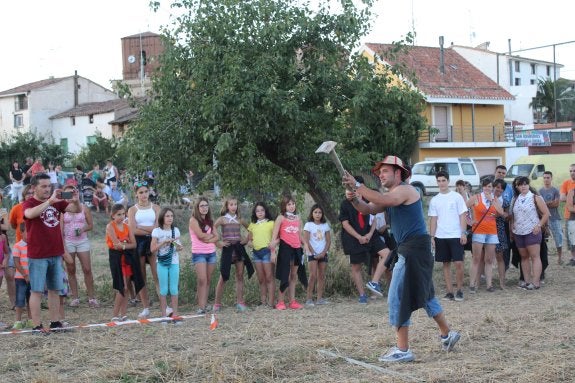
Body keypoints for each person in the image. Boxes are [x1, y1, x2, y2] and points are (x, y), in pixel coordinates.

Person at [342, 155, 460, 363]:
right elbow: (369, 208)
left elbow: (386, 200)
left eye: (385, 171)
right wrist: (353, 198)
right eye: (379, 172)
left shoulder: (405, 190)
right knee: (426, 295)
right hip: (415, 249)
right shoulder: (391, 194)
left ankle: (403, 349)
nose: (380, 175)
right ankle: (447, 334)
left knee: (397, 297)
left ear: (399, 173)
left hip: (412, 250)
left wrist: (358, 185)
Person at [23, 173, 79, 333]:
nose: (48, 189)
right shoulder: (29, 203)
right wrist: (49, 202)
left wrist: (76, 200)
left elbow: (75, 209)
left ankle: (55, 323)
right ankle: (36, 326)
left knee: (55, 290)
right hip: (38, 255)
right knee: (37, 291)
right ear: (34, 188)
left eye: (49, 186)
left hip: (56, 253)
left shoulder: (57, 202)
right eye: (44, 186)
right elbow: (29, 214)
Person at [339, 180, 388, 303]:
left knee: (387, 254)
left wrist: (370, 234)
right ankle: (362, 295)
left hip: (370, 234)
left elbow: (374, 219)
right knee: (356, 266)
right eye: (353, 190)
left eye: (357, 189)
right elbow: (345, 224)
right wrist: (359, 237)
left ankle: (374, 282)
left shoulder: (367, 201)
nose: (356, 192)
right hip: (353, 238)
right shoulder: (345, 204)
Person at [428, 171, 468, 301]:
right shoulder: (434, 199)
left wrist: (463, 232)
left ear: (448, 181)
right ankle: (450, 292)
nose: (441, 183)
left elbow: (463, 215)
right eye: (439, 181)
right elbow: (433, 219)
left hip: (456, 235)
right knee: (445, 264)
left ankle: (460, 290)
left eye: (443, 180)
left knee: (458, 263)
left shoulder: (456, 197)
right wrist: (432, 237)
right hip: (441, 235)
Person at [212, 197, 254, 312]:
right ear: (227, 206)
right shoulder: (222, 219)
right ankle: (217, 304)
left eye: (235, 204)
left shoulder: (239, 219)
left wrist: (245, 240)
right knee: (223, 276)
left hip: (239, 248)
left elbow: (251, 229)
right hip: (228, 249)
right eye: (231, 204)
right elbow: (212, 230)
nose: (234, 206)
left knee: (240, 275)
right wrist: (218, 242)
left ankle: (240, 302)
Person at [60, 185, 99, 308]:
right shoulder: (62, 209)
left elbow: (91, 225)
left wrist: (82, 229)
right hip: (68, 241)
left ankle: (91, 297)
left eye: (71, 193)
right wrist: (63, 245)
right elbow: (60, 230)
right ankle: (75, 298)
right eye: (66, 194)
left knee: (87, 269)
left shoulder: (83, 208)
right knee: (71, 269)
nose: (69, 196)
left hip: (82, 241)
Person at [127, 181, 161, 319]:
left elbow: (158, 227)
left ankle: (164, 304)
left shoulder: (156, 207)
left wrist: (142, 228)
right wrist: (149, 229)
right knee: (141, 276)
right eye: (140, 192)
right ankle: (145, 306)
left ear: (149, 192)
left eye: (146, 192)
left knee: (157, 274)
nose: (144, 195)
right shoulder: (132, 210)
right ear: (136, 194)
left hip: (153, 241)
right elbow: (132, 229)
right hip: (139, 242)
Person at [510, 176, 550, 290]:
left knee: (535, 256)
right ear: (517, 187)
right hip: (518, 231)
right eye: (520, 184)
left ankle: (536, 282)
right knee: (524, 257)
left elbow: (546, 213)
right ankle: (527, 282)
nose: (523, 186)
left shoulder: (535, 198)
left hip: (532, 231)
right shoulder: (515, 199)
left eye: (525, 184)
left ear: (528, 185)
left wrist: (539, 225)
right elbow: (513, 215)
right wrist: (512, 225)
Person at [106, 203, 144, 322]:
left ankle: (124, 314)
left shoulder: (127, 227)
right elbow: (116, 245)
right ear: (113, 215)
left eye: (123, 214)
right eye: (119, 214)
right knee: (121, 287)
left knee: (127, 287)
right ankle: (115, 315)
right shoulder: (110, 226)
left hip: (127, 258)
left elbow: (134, 244)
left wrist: (123, 244)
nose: (122, 217)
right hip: (116, 258)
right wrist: (125, 243)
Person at [466, 178, 504, 293]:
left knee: (489, 259)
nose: (488, 188)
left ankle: (489, 285)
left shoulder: (494, 198)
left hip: (492, 232)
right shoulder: (476, 197)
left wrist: (492, 200)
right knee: (476, 258)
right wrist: (469, 221)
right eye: (486, 186)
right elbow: (463, 209)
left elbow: (501, 212)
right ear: (482, 187)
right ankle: (472, 284)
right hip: (479, 231)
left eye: (490, 186)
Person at [270, 194, 307, 310]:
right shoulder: (280, 218)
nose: (291, 206)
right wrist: (273, 252)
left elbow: (299, 235)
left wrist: (305, 244)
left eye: (293, 204)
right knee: (284, 275)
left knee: (293, 275)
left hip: (297, 249)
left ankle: (292, 301)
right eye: (288, 204)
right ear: (284, 206)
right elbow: (274, 237)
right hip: (285, 248)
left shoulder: (298, 218)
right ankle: (280, 302)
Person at [151, 207, 183, 319]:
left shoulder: (176, 230)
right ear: (162, 217)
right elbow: (152, 249)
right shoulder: (157, 231)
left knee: (174, 289)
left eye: (171, 216)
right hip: (161, 262)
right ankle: (164, 315)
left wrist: (178, 246)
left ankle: (175, 314)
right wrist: (163, 242)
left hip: (174, 262)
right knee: (163, 289)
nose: (170, 218)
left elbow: (179, 247)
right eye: (167, 216)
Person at [189, 197, 219, 314]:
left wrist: (211, 238)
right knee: (202, 279)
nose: (204, 208)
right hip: (199, 253)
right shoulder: (193, 220)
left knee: (208, 279)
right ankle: (200, 307)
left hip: (211, 253)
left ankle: (204, 305)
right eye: (202, 206)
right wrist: (211, 237)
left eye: (206, 205)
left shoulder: (210, 221)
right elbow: (201, 235)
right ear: (197, 207)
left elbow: (217, 237)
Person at [247, 202, 276, 307]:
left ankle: (271, 302)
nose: (260, 212)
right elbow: (249, 239)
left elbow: (276, 238)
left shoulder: (271, 223)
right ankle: (263, 302)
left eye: (262, 210)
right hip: (256, 253)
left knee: (269, 277)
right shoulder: (252, 224)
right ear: (255, 213)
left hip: (267, 252)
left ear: (265, 211)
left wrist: (273, 252)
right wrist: (250, 243)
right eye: (257, 211)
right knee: (261, 278)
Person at [303, 204, 331, 306]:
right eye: (315, 212)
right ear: (312, 213)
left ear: (322, 214)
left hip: (323, 253)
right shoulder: (308, 225)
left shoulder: (325, 225)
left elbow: (328, 241)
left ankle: (320, 299)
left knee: (321, 276)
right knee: (313, 275)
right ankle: (309, 299)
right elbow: (306, 240)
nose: (318, 214)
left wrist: (323, 253)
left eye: (319, 212)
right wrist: (314, 253)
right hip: (312, 254)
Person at [12, 223, 33, 329]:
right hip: (21, 278)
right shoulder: (17, 246)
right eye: (27, 231)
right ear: (21, 233)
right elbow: (16, 263)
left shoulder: (34, 246)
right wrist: (25, 275)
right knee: (20, 300)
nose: (30, 234)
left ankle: (30, 320)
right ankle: (18, 321)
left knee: (31, 300)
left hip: (32, 278)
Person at [539, 171, 562, 264]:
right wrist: (549, 203)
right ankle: (542, 257)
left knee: (558, 237)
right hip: (543, 219)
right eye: (544, 177)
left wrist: (544, 204)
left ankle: (560, 257)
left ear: (551, 178)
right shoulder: (540, 191)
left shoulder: (555, 190)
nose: (546, 179)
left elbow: (556, 204)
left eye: (548, 177)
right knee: (543, 239)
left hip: (555, 217)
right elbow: (539, 206)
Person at [493, 179, 510, 289]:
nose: (498, 189)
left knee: (500, 256)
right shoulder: (485, 198)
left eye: (501, 188)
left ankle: (502, 282)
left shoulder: (505, 201)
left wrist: (503, 214)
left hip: (499, 229)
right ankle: (478, 282)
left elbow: (507, 216)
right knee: (482, 257)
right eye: (496, 187)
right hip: (485, 229)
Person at [559, 164, 575, 265]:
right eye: (571, 171)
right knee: (571, 237)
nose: (572, 173)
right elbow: (562, 198)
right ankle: (573, 258)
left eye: (574, 171)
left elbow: (567, 197)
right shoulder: (566, 183)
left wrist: (570, 197)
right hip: (569, 215)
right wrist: (571, 197)